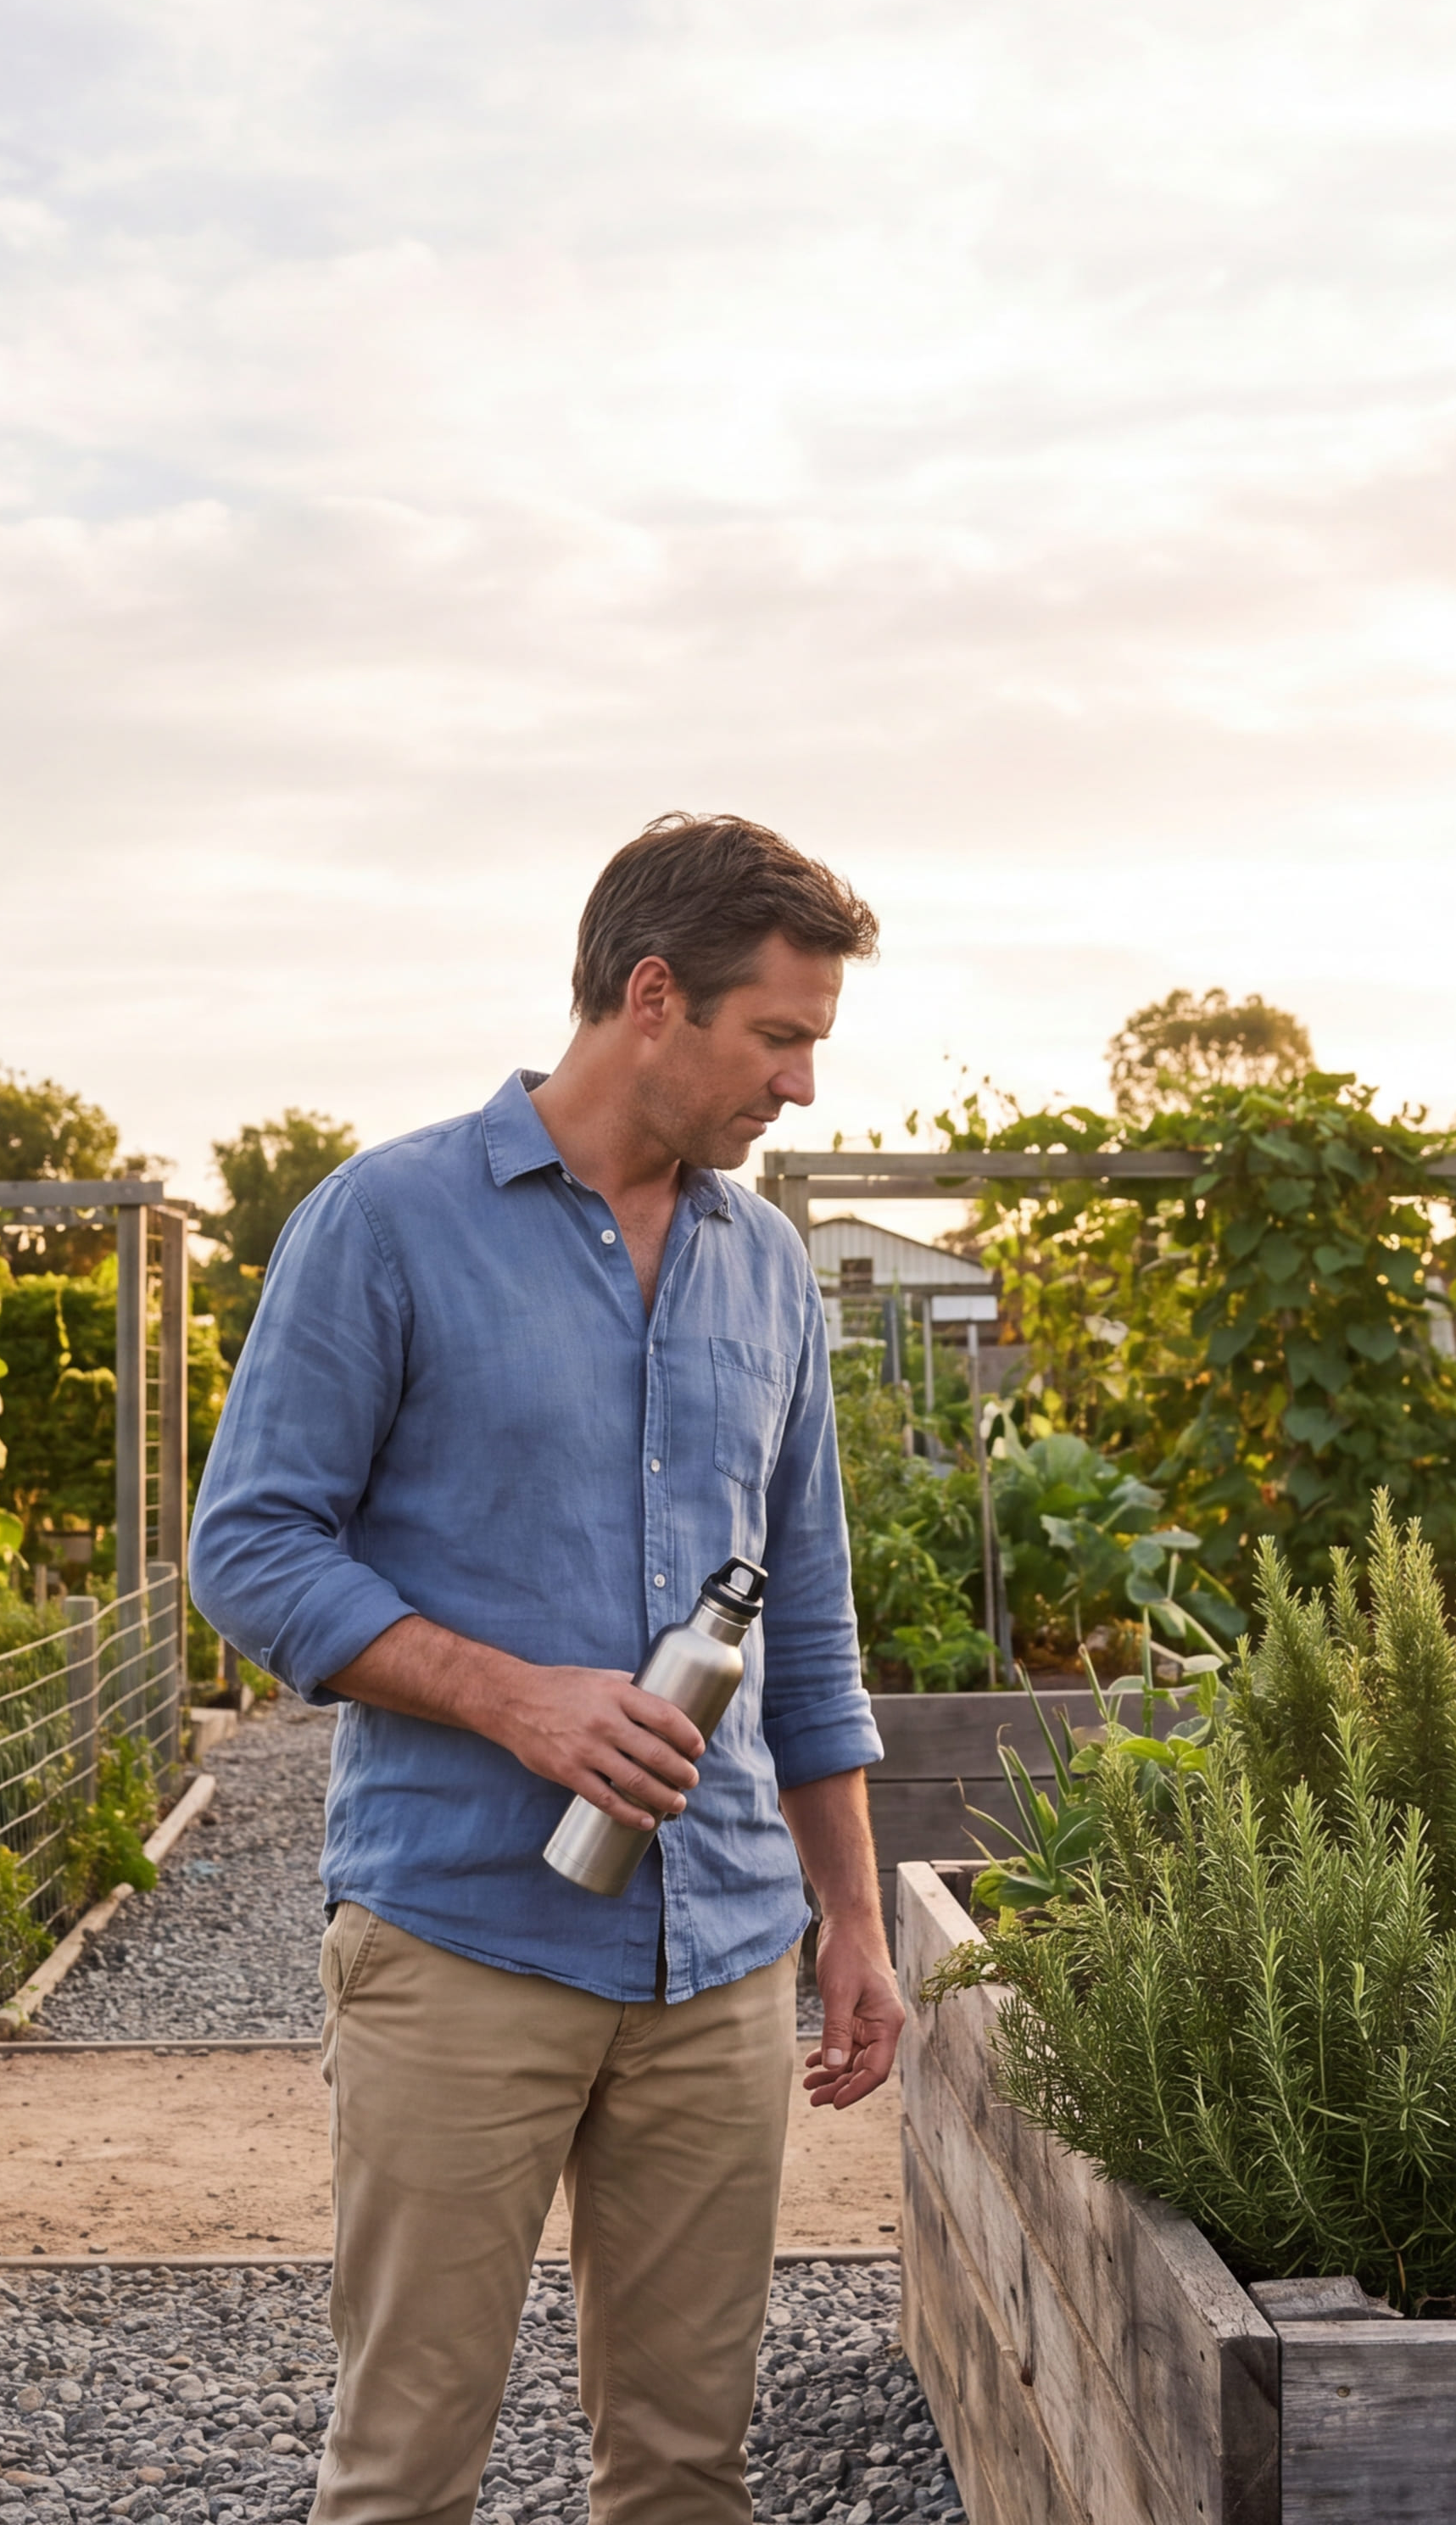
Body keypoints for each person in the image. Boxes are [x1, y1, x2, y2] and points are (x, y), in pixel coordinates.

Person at [192, 813, 906, 2525]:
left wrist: (856, 1924)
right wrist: (516, 1695)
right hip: (461, 1939)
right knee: (406, 2469)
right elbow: (252, 1549)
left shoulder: (769, 1273)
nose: (801, 1085)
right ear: (652, 996)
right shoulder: (389, 1222)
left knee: (682, 2470)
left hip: (723, 1953)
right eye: (781, 1036)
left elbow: (806, 1612)